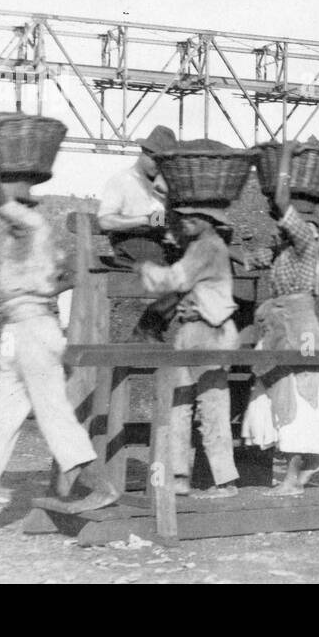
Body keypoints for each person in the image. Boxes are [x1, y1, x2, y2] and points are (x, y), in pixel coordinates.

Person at [0, 116, 119, 524]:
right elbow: (60, 279)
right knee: (0, 415)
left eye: (9, 193)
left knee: (52, 413)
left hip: (34, 331)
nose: (3, 202)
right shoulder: (27, 238)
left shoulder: (30, 224)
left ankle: (99, 486)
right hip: (19, 331)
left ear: (23, 201)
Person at [238, 142, 319, 496]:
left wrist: (287, 159)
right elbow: (248, 258)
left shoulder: (306, 240)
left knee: (298, 396)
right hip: (282, 324)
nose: (277, 223)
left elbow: (280, 203)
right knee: (279, 393)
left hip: (299, 326)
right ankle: (301, 467)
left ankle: (295, 476)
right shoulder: (282, 253)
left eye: (282, 221)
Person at [137, 203, 242, 499]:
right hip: (190, 328)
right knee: (178, 405)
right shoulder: (199, 246)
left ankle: (224, 482)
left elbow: (175, 280)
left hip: (212, 330)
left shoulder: (208, 246)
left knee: (212, 405)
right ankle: (178, 476)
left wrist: (144, 268)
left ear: (204, 221)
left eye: (190, 219)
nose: (185, 224)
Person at [98, 124, 179, 341]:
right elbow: (105, 221)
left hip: (156, 241)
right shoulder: (122, 180)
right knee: (172, 275)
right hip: (129, 242)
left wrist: (168, 226)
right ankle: (147, 329)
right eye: (155, 160)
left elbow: (159, 218)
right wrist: (143, 221)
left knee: (192, 268)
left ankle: (150, 328)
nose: (158, 166)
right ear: (143, 153)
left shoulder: (161, 185)